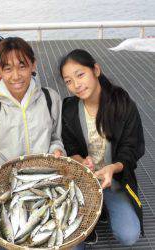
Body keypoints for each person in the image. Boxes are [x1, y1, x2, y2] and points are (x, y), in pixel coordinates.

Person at [60, 49, 145, 248]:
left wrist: (113, 167)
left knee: (129, 235)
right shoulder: (69, 108)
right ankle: (94, 210)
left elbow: (132, 148)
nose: (76, 85)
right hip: (82, 182)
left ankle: (104, 207)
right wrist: (80, 161)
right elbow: (69, 145)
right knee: (73, 244)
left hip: (114, 181)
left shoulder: (123, 104)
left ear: (96, 70)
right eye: (68, 81)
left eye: (80, 75)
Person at [0, 36, 65, 191]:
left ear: (33, 65)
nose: (16, 76)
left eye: (22, 66)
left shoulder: (50, 98)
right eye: (8, 69)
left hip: (46, 181)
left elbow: (55, 137)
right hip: (7, 184)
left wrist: (56, 150)